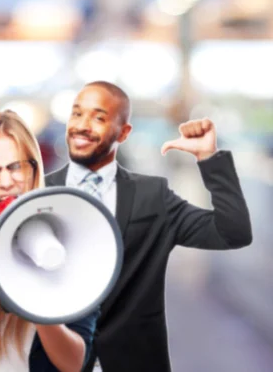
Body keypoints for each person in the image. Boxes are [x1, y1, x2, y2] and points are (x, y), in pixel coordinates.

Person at [45, 81, 252, 372]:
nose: (82, 125)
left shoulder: (152, 197)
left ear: (124, 132)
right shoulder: (39, 195)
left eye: (99, 117)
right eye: (77, 114)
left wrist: (209, 159)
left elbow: (232, 232)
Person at [0, 110, 98, 372]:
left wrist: (36, 298)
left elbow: (74, 363)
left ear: (34, 169)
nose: (5, 182)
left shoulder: (70, 239)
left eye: (15, 167)